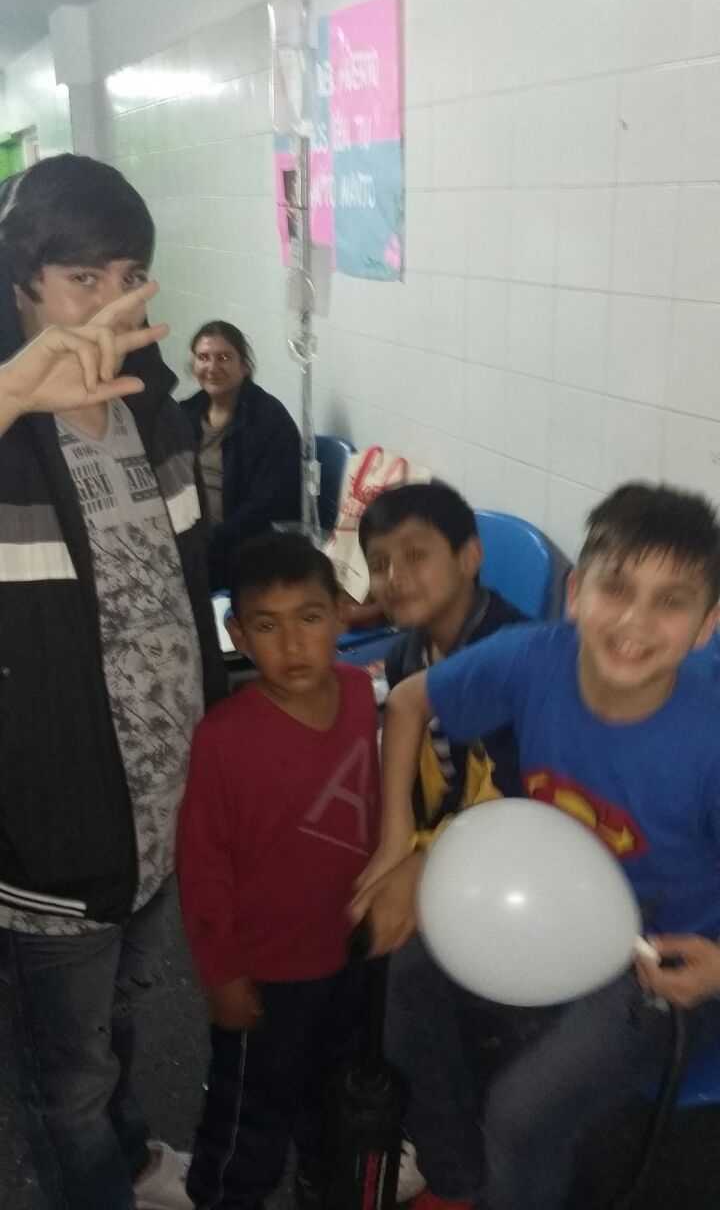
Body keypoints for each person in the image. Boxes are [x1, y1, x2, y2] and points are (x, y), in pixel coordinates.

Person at [353, 482, 720, 1210]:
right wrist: (395, 846)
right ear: (576, 592)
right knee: (411, 976)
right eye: (616, 589)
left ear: (708, 625)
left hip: (666, 958)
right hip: (553, 907)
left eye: (671, 602)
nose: (635, 622)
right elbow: (408, 700)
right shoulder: (534, 659)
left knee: (522, 1115)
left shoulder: (708, 737)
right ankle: (458, 1182)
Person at [0, 154, 226, 1210]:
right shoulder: (10, 431)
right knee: (67, 1076)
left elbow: (183, 594)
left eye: (128, 275)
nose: (108, 303)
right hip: (50, 826)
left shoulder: (155, 409)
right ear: (22, 281)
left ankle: (130, 1161)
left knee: (126, 1013)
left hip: (161, 807)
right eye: (81, 277)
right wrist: (10, 394)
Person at [177, 531, 381, 1210]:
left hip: (350, 953)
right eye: (267, 626)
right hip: (267, 974)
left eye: (310, 618)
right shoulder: (222, 739)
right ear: (237, 633)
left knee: (336, 1092)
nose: (293, 645)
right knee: (249, 1115)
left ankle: (324, 1182)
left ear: (342, 615)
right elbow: (203, 868)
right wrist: (223, 975)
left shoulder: (360, 693)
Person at [357, 481, 526, 1206]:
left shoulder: (512, 656)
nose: (395, 577)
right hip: (457, 839)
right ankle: (415, 1113)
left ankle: (451, 1168)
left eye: (416, 555)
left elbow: (520, 808)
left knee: (410, 972)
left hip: (523, 858)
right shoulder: (407, 653)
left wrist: (423, 869)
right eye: (380, 563)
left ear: (470, 556)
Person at [181, 320, 301, 590]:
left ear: (244, 366)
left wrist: (207, 540)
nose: (212, 367)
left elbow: (268, 505)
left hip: (238, 546)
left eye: (224, 357)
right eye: (203, 357)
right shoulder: (184, 414)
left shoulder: (269, 421)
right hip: (189, 537)